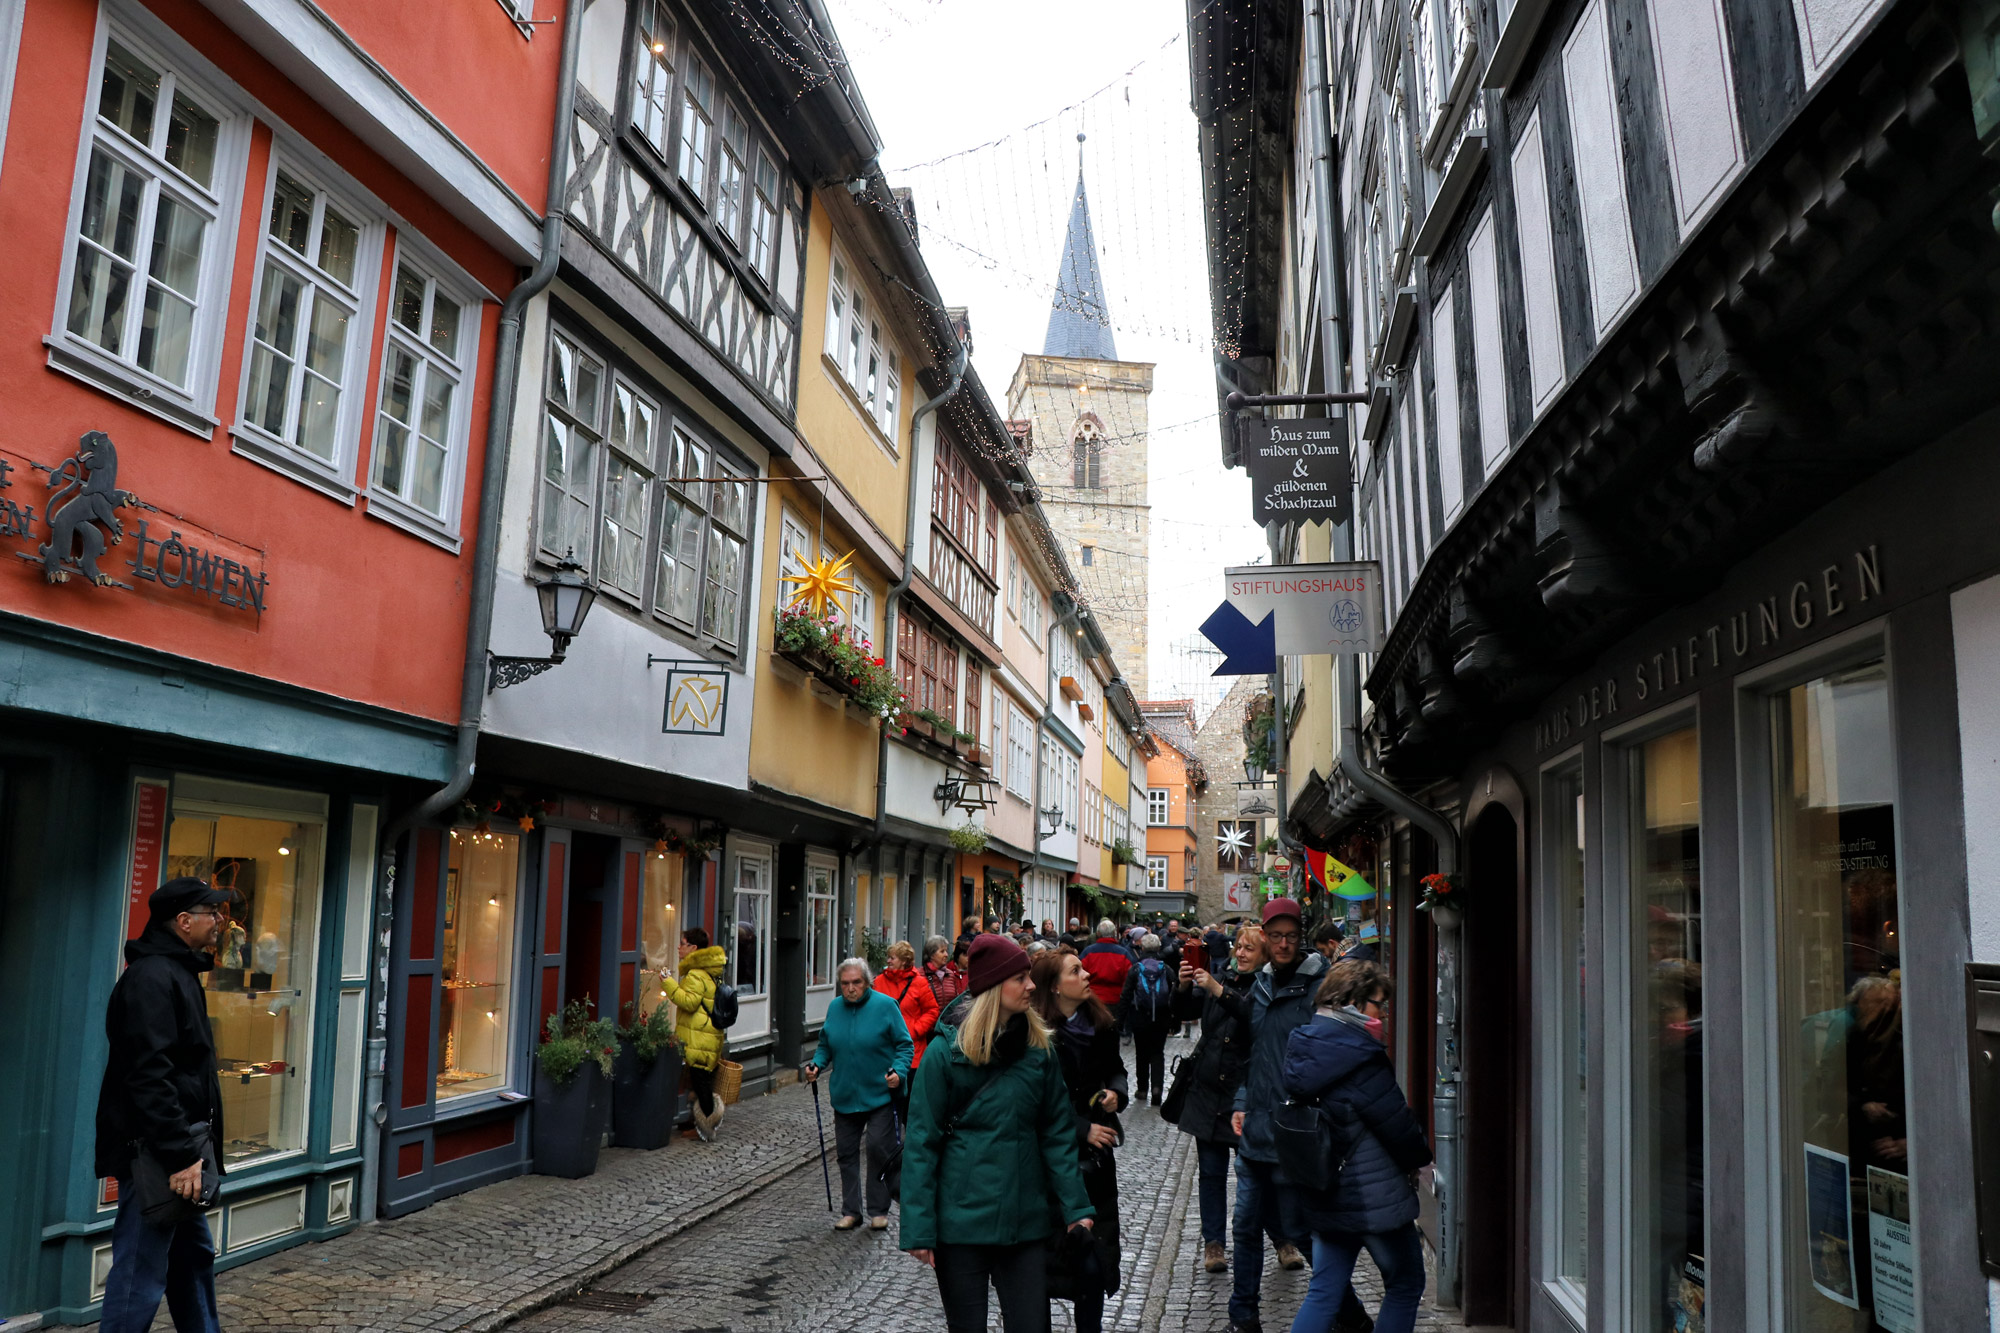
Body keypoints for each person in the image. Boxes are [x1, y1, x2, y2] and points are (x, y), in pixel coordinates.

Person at [901, 935, 1096, 1332]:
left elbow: (1057, 1133)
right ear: (993, 987)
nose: (1031, 986)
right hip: (960, 1227)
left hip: (1022, 1225)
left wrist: (1077, 1209)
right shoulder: (945, 1053)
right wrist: (919, 1228)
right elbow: (922, 1142)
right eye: (1020, 978)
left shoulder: (1039, 1050)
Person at [95, 877, 231, 1333]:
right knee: (139, 1273)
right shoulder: (153, 978)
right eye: (212, 913)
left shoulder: (178, 971)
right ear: (183, 921)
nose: (220, 921)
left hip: (180, 1148)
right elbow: (149, 1077)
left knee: (192, 1259)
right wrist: (180, 1156)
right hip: (155, 1154)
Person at [1229, 897, 1354, 1333]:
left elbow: (1332, 1055)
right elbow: (1252, 1053)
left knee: (1299, 1230)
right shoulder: (1258, 986)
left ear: (1301, 938)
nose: (1283, 944)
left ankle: (1349, 1315)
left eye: (1291, 936)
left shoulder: (1320, 985)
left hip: (1296, 1129)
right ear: (1264, 937)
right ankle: (1243, 1318)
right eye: (1276, 936)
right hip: (1256, 1128)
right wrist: (1242, 1100)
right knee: (1244, 1227)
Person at [1284, 961, 1431, 1333]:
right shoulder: (1361, 1055)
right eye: (1378, 1004)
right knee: (1406, 1282)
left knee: (1324, 1291)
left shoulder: (1305, 1042)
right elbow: (1398, 1126)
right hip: (1373, 1196)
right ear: (1351, 1002)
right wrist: (1422, 1161)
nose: (1382, 1013)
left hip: (1324, 1190)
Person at [1031, 948, 1128, 1333]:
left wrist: (1116, 1093)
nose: (1087, 975)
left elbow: (1116, 1070)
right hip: (1049, 1165)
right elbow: (1034, 1103)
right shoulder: (1035, 1034)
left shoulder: (1100, 1023)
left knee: (1093, 1264)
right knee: (1041, 1266)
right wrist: (1080, 1127)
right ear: (1054, 988)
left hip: (1095, 1165)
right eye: (1077, 970)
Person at [1171, 924, 1265, 1272]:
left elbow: (1253, 1017)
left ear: (1264, 955)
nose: (1241, 953)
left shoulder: (1266, 986)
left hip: (1245, 1094)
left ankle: (1282, 1236)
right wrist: (1182, 986)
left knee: (1256, 1172)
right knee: (1211, 1173)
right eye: (1238, 946)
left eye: (1249, 949)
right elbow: (1181, 1013)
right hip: (1207, 1091)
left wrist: (1217, 989)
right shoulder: (1219, 975)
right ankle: (1214, 1244)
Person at [807, 958, 915, 1230]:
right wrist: (816, 1065)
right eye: (845, 983)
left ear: (867, 982)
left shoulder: (885, 1006)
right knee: (845, 1153)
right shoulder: (834, 1008)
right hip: (845, 1095)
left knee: (878, 1147)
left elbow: (905, 1046)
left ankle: (879, 1210)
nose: (851, 988)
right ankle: (851, 1211)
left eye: (856, 982)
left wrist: (899, 1072)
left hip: (881, 1093)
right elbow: (825, 1046)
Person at [663, 927, 729, 1141]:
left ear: (693, 947)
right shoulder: (708, 971)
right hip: (707, 1035)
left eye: (682, 944)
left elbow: (689, 1002)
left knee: (701, 1083)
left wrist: (668, 982)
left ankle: (706, 1129)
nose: (679, 948)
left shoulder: (695, 974)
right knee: (700, 1081)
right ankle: (696, 1123)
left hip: (700, 1037)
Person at [1120, 933, 1176, 1105]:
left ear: (1142, 948)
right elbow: (1174, 996)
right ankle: (1157, 1089)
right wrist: (1174, 1021)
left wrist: (1120, 1021)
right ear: (1159, 948)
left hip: (1139, 1017)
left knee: (1141, 1053)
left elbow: (1126, 995)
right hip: (1161, 1017)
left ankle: (1142, 1089)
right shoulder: (1166, 969)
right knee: (1157, 1053)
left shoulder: (1136, 969)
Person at [877, 941, 943, 1074]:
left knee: (909, 1091)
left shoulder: (919, 983)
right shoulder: (879, 982)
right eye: (888, 957)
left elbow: (932, 1010)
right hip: (884, 1047)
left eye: (892, 958)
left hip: (913, 1049)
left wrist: (916, 1029)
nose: (888, 961)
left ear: (903, 961)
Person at [1079, 919, 1135, 1022]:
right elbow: (1130, 978)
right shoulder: (1123, 953)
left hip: (1093, 998)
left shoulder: (1088, 952)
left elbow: (1079, 974)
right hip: (1116, 999)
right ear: (1114, 933)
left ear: (1098, 933)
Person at [923, 935, 966, 1011]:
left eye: (946, 951)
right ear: (931, 955)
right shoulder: (920, 975)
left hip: (946, 1021)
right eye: (942, 951)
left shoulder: (950, 974)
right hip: (928, 1021)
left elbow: (954, 1001)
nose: (946, 954)